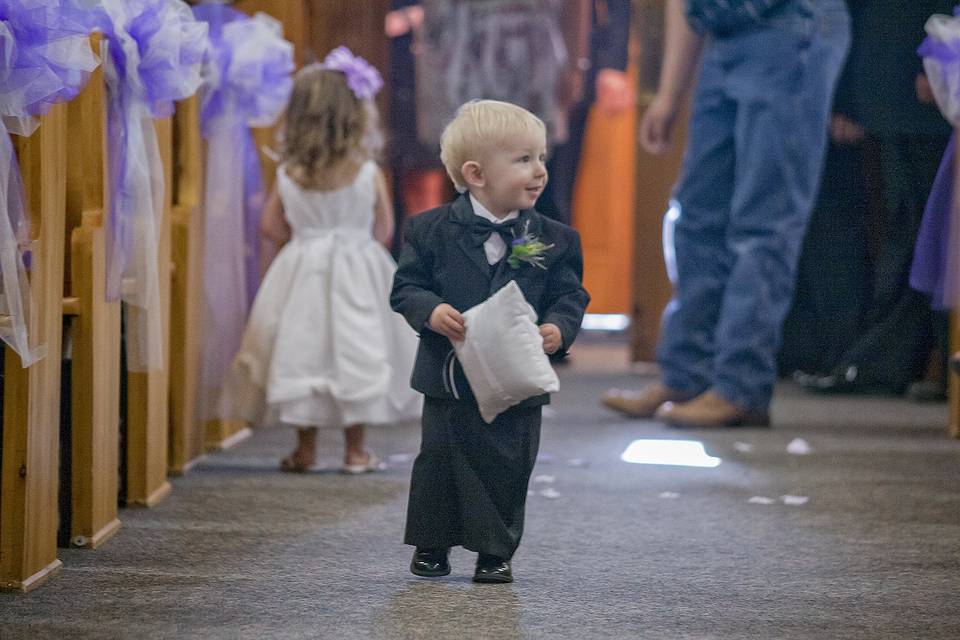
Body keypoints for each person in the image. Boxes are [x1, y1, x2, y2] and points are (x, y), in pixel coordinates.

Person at [602, 0, 850, 427]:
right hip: (724, 32)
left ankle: (741, 387)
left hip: (790, 26)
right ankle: (686, 376)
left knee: (763, 222)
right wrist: (668, 95)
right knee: (695, 217)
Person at [391, 100, 589, 583]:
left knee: (506, 464)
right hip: (450, 377)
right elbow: (407, 288)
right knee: (440, 462)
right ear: (476, 173)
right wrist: (432, 311)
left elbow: (570, 295)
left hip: (517, 376)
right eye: (523, 160)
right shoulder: (429, 230)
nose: (539, 171)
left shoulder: (557, 238)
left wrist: (558, 329)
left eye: (541, 158)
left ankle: (494, 551)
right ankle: (432, 546)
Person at [223, 48, 421, 473]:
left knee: (303, 349)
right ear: (355, 115)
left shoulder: (291, 173)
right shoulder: (366, 172)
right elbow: (384, 228)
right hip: (358, 266)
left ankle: (305, 451)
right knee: (359, 348)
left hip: (304, 268)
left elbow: (270, 226)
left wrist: (306, 238)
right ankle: (355, 452)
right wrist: (353, 243)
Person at [787, 0, 952, 398]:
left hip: (919, 72)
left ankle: (889, 363)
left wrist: (941, 60)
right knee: (913, 229)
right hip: (893, 79)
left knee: (922, 230)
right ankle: (907, 364)